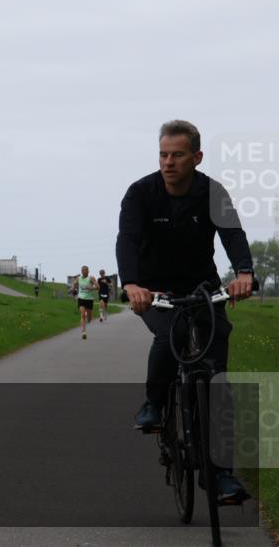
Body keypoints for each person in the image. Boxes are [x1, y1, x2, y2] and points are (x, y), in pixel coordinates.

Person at [116, 119, 254, 502]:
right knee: (171, 334)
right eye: (163, 154)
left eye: (177, 155)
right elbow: (127, 239)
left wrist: (244, 272)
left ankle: (221, 475)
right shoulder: (140, 193)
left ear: (197, 157)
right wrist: (131, 284)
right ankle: (155, 403)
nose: (168, 162)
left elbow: (233, 234)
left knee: (216, 376)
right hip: (154, 291)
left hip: (202, 289)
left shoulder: (212, 192)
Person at [71, 265, 97, 339]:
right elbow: (74, 283)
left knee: (89, 319)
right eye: (83, 270)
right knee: (82, 315)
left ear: (88, 271)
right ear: (81, 271)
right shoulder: (78, 278)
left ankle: (87, 317)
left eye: (86, 270)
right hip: (81, 298)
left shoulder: (91, 278)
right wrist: (73, 288)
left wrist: (91, 288)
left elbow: (98, 287)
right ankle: (83, 332)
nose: (85, 272)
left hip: (89, 299)